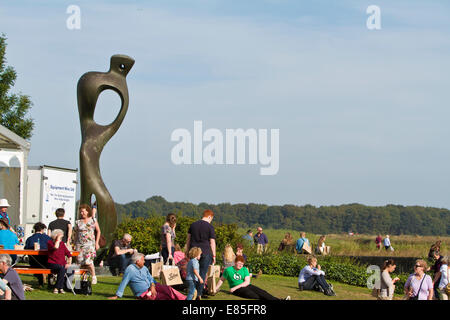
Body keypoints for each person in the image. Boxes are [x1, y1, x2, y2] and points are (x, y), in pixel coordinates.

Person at [108, 252, 186, 300]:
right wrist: (117, 296)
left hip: (153, 286)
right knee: (163, 296)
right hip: (144, 292)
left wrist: (152, 286)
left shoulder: (144, 268)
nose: (144, 262)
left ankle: (186, 299)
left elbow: (150, 278)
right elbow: (124, 282)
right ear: (137, 261)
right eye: (143, 260)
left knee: (168, 289)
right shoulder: (130, 269)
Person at [215, 256, 290, 300]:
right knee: (254, 296)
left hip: (245, 285)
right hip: (237, 289)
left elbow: (247, 282)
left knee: (262, 292)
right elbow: (222, 280)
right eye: (239, 263)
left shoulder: (244, 269)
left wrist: (234, 288)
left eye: (242, 263)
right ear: (235, 262)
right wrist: (215, 288)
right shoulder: (228, 270)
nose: (241, 265)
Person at [186, 209, 216, 299]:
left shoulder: (193, 225)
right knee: (202, 273)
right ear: (210, 216)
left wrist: (187, 251)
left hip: (194, 251)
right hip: (205, 252)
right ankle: (199, 293)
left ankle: (192, 290)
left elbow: (188, 239)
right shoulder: (210, 227)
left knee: (192, 272)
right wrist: (214, 255)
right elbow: (212, 242)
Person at [73, 204, 100, 284]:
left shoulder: (93, 220)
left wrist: (97, 243)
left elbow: (98, 231)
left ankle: (94, 276)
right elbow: (76, 233)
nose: (82, 213)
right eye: (80, 212)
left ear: (87, 211)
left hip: (90, 244)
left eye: (83, 211)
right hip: (80, 245)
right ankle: (83, 278)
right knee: (81, 263)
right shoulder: (78, 222)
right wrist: (74, 243)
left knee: (89, 262)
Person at [24, 222, 51, 287]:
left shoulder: (29, 239)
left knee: (36, 264)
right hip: (46, 262)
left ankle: (40, 281)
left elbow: (25, 249)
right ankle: (49, 282)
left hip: (34, 262)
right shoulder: (48, 238)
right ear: (42, 229)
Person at [47, 229, 72, 294]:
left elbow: (69, 254)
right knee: (61, 269)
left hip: (62, 264)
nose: (61, 238)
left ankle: (62, 287)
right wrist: (57, 240)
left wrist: (69, 263)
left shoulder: (62, 244)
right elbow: (55, 247)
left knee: (70, 269)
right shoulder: (50, 243)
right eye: (60, 237)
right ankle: (59, 288)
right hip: (53, 263)